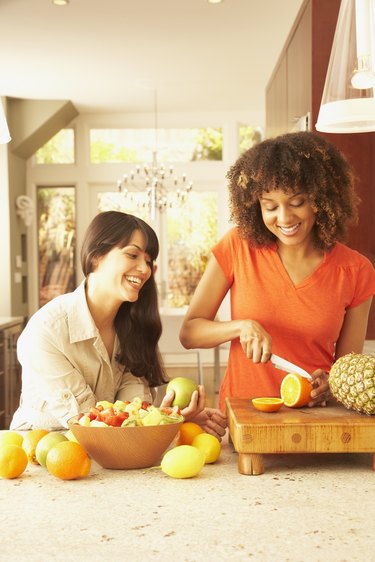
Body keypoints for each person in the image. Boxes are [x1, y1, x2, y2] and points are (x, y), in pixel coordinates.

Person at [179, 131, 375, 412]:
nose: (284, 218)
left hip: (312, 419)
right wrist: (241, 326)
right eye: (270, 206)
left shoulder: (356, 271)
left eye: (297, 203)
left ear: (321, 198)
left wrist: (329, 385)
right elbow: (190, 332)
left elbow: (346, 369)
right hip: (243, 418)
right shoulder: (238, 246)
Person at [11, 211, 227, 439]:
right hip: (38, 456)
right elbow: (89, 422)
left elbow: (130, 418)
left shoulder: (132, 328)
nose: (144, 269)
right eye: (132, 255)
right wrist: (164, 422)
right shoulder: (46, 331)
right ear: (96, 256)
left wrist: (172, 418)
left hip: (107, 455)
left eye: (148, 260)